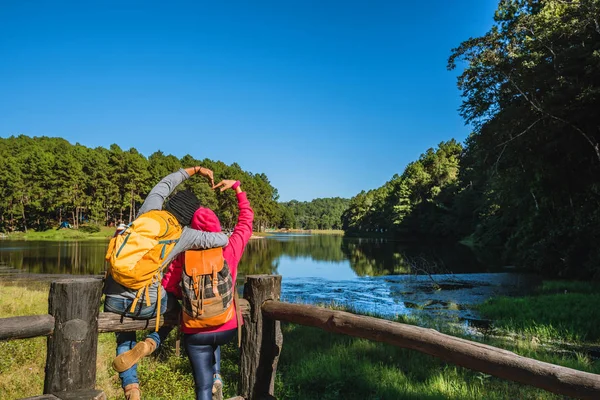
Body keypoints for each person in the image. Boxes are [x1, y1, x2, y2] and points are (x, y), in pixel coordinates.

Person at [104, 167, 230, 400]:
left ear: (169, 205)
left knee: (124, 336)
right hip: (147, 303)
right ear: (188, 216)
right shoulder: (184, 235)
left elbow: (165, 184)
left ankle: (132, 389)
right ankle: (153, 341)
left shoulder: (147, 213)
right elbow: (221, 239)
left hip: (113, 300)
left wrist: (194, 170)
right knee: (178, 309)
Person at [162, 179, 254, 400]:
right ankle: (217, 375)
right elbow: (246, 222)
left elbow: (168, 285)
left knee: (201, 388)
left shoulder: (183, 255)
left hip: (196, 331)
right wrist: (238, 189)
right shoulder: (230, 247)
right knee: (215, 338)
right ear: (217, 226)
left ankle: (211, 379)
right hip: (227, 327)